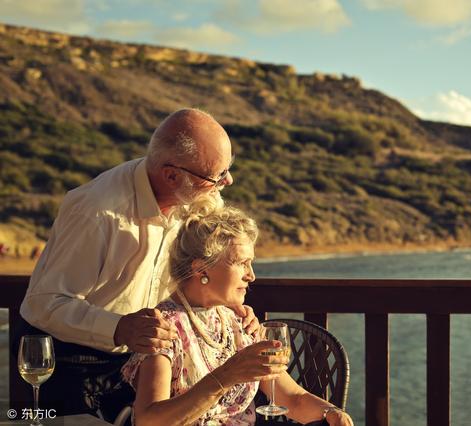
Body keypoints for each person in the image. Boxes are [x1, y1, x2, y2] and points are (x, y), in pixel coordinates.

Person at [16, 108, 258, 416]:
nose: (228, 181)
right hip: (70, 360)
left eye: (227, 169)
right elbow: (44, 303)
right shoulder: (96, 212)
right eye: (218, 175)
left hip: (142, 358)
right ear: (172, 175)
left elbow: (213, 258)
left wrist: (228, 305)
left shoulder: (198, 194)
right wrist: (119, 327)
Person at [121, 202, 353, 426]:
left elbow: (292, 399)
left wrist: (332, 412)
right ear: (201, 268)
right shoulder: (163, 328)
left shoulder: (237, 323)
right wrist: (226, 376)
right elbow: (149, 421)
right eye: (242, 263)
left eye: (250, 264)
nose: (251, 275)